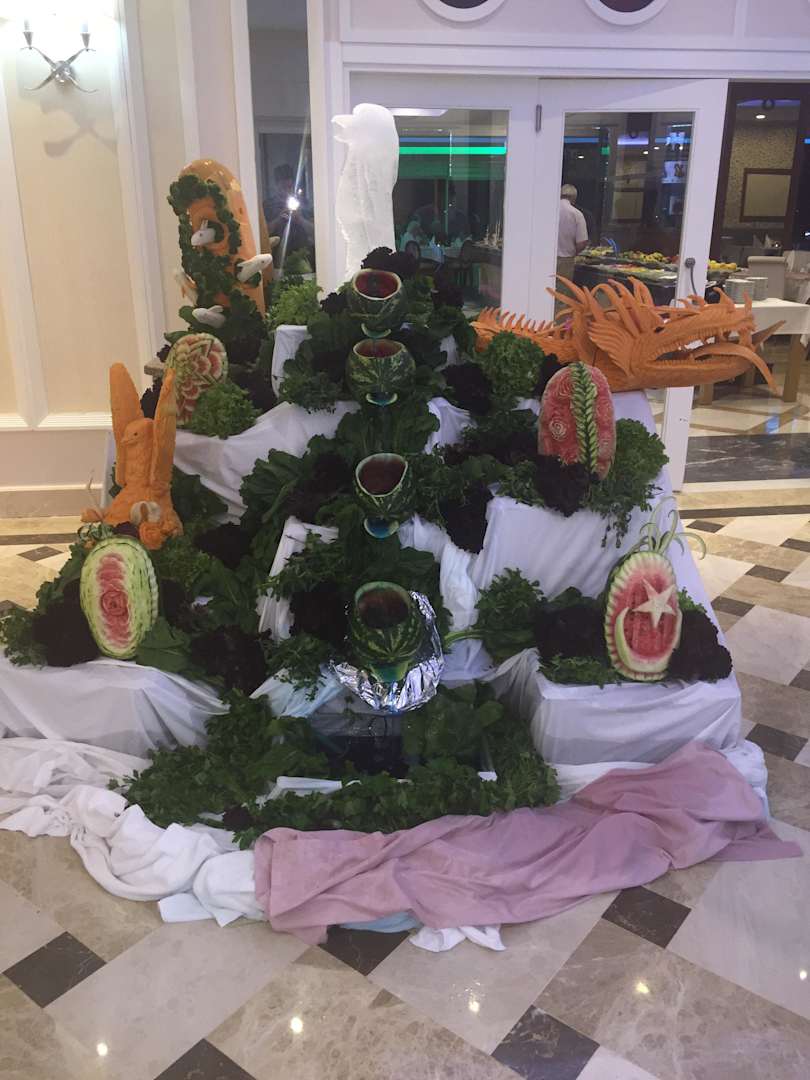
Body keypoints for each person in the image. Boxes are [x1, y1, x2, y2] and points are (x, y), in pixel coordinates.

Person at [263, 163, 313, 252]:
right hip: (276, 253)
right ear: (276, 185)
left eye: (289, 187)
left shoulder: (303, 203)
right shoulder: (267, 205)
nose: (286, 191)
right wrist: (278, 220)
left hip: (303, 253)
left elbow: (315, 231)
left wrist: (300, 220)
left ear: (293, 185)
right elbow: (262, 234)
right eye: (283, 187)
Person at [557, 184, 588, 311]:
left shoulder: (548, 210)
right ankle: (557, 321)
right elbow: (582, 242)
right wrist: (574, 251)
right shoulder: (576, 214)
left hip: (545, 258)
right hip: (566, 260)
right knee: (561, 296)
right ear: (574, 198)